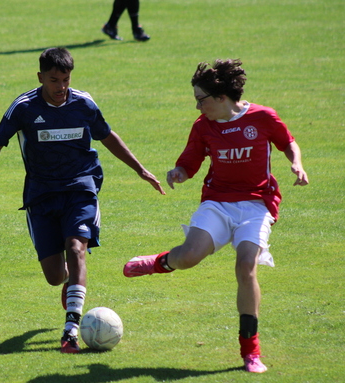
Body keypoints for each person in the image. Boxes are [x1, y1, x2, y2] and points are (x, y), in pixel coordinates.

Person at [0, 47, 165, 353]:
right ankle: (69, 284)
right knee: (54, 276)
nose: (61, 86)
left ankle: (70, 330)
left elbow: (108, 136)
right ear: (41, 77)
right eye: (54, 80)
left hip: (81, 188)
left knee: (76, 248)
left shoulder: (83, 103)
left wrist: (140, 169)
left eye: (65, 79)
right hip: (41, 194)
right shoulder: (23, 107)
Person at [123, 59, 308, 373]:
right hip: (217, 203)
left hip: (256, 205)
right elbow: (190, 162)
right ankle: (161, 262)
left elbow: (288, 142)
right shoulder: (203, 126)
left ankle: (251, 352)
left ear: (222, 98)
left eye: (201, 100)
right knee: (190, 256)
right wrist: (179, 172)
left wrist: (296, 164)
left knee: (246, 265)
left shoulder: (263, 117)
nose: (198, 107)